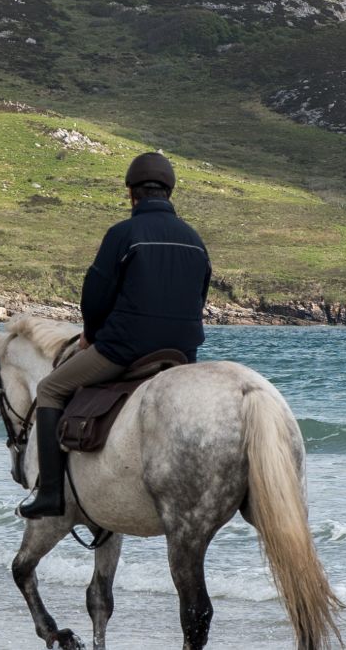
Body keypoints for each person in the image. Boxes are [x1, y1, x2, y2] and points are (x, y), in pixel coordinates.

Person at [18, 152, 212, 519]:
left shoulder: (123, 234)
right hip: (183, 353)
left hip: (126, 349)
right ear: (169, 192)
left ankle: (50, 495)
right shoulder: (194, 239)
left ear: (131, 193)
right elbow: (200, 297)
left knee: (49, 390)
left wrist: (91, 335)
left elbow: (96, 294)